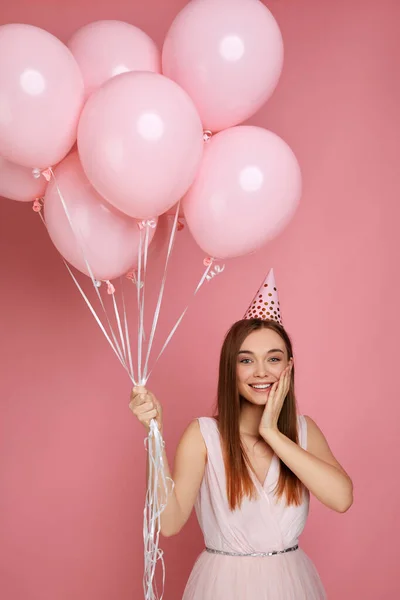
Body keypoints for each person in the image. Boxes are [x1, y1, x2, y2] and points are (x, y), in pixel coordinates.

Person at [130, 271, 353, 599]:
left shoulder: (304, 432)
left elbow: (342, 498)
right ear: (229, 369)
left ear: (289, 366)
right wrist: (155, 436)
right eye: (246, 360)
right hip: (223, 587)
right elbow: (170, 522)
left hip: (291, 587)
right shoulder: (203, 435)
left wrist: (272, 433)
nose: (261, 371)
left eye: (273, 359)